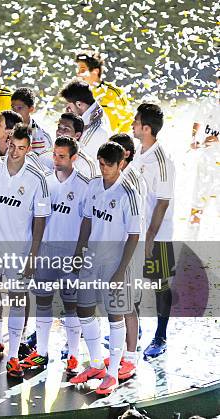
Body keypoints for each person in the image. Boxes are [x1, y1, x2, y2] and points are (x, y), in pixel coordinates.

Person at [0, 123, 50, 379]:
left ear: (28, 149)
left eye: (21, 148)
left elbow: (40, 220)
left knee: (17, 299)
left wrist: (33, 255)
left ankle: (14, 356)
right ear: (6, 142)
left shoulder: (37, 178)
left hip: (20, 251)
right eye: (12, 146)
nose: (15, 152)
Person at [70, 142, 142, 395]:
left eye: (108, 165)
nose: (103, 169)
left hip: (114, 262)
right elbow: (87, 220)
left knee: (115, 315)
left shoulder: (129, 194)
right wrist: (79, 252)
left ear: (120, 164)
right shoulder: (93, 185)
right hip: (91, 259)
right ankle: (97, 364)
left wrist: (121, 270)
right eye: (100, 163)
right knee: (83, 309)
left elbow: (134, 235)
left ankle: (112, 375)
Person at [23, 136, 89, 376]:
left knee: (71, 305)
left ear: (74, 158)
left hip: (70, 255)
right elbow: (36, 220)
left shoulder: (84, 184)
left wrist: (80, 254)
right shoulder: (45, 182)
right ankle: (41, 352)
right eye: (54, 155)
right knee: (43, 301)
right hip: (46, 253)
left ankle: (73, 355)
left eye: (62, 156)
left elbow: (87, 224)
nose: (56, 160)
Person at [130, 103, 175, 360]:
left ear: (147, 128)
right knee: (133, 283)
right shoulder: (138, 152)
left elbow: (163, 202)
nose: (132, 125)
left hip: (158, 235)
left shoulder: (163, 161)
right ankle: (133, 332)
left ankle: (160, 336)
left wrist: (149, 237)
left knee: (159, 284)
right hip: (136, 232)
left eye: (136, 122)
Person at [109, 132, 147, 380]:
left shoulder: (133, 182)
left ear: (125, 155)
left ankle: (131, 357)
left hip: (130, 251)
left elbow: (134, 225)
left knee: (128, 304)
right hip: (115, 250)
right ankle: (120, 352)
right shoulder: (116, 179)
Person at [75, 50, 133, 133]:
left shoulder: (113, 92)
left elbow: (128, 120)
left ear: (95, 71)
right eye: (78, 70)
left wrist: (116, 141)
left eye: (82, 70)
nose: (78, 74)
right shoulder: (78, 93)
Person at [188, 75, 219, 227]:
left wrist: (217, 140)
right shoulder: (210, 102)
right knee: (198, 200)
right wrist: (194, 138)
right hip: (207, 160)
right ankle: (191, 235)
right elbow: (198, 120)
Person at [33, 112, 99, 179]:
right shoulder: (45, 155)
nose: (59, 132)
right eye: (59, 127)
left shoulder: (86, 165)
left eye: (66, 129)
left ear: (77, 135)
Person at [59, 80, 112, 158]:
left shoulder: (96, 131)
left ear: (79, 104)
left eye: (69, 106)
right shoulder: (97, 114)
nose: (67, 110)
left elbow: (78, 163)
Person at [10, 87, 52, 154]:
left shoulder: (43, 137)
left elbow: (46, 162)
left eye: (19, 108)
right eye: (13, 107)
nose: (15, 112)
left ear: (31, 109)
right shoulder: (4, 130)